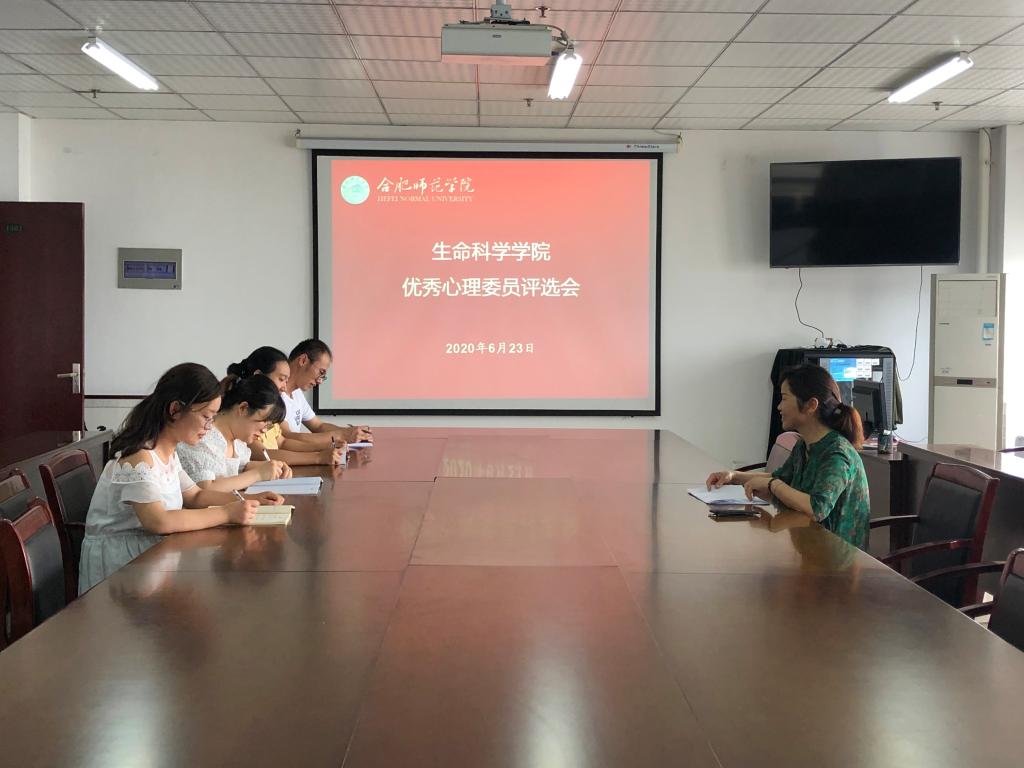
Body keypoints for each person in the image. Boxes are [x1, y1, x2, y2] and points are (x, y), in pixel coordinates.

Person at [79, 363, 277, 592]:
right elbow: (159, 521)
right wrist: (226, 513)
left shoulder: (169, 453)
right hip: (120, 567)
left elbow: (195, 495)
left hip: (150, 556)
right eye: (206, 417)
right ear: (175, 410)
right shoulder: (139, 457)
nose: (209, 427)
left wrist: (246, 501)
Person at [706, 363, 870, 550]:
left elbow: (816, 508)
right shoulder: (805, 444)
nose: (779, 407)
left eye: (784, 398)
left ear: (811, 405)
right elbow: (780, 477)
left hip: (836, 559)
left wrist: (772, 485)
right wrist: (733, 476)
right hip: (809, 547)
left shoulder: (837, 453)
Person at [226, 346, 344, 466]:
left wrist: (325, 447)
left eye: (286, 381)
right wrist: (318, 457)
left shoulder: (268, 410)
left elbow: (283, 442)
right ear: (259, 376)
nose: (284, 388)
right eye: (281, 379)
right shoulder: (247, 411)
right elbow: (263, 454)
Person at [176, 373, 292, 493]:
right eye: (264, 422)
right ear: (243, 408)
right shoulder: (202, 435)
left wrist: (273, 467)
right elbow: (206, 489)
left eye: (269, 426)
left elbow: (242, 467)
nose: (264, 430)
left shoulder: (237, 441)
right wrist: (258, 474)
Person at [281, 338, 372, 444]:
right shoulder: (274, 394)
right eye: (321, 372)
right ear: (303, 360)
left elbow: (318, 426)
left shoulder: (297, 393)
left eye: (323, 376)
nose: (319, 381)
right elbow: (287, 437)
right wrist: (342, 435)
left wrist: (350, 432)